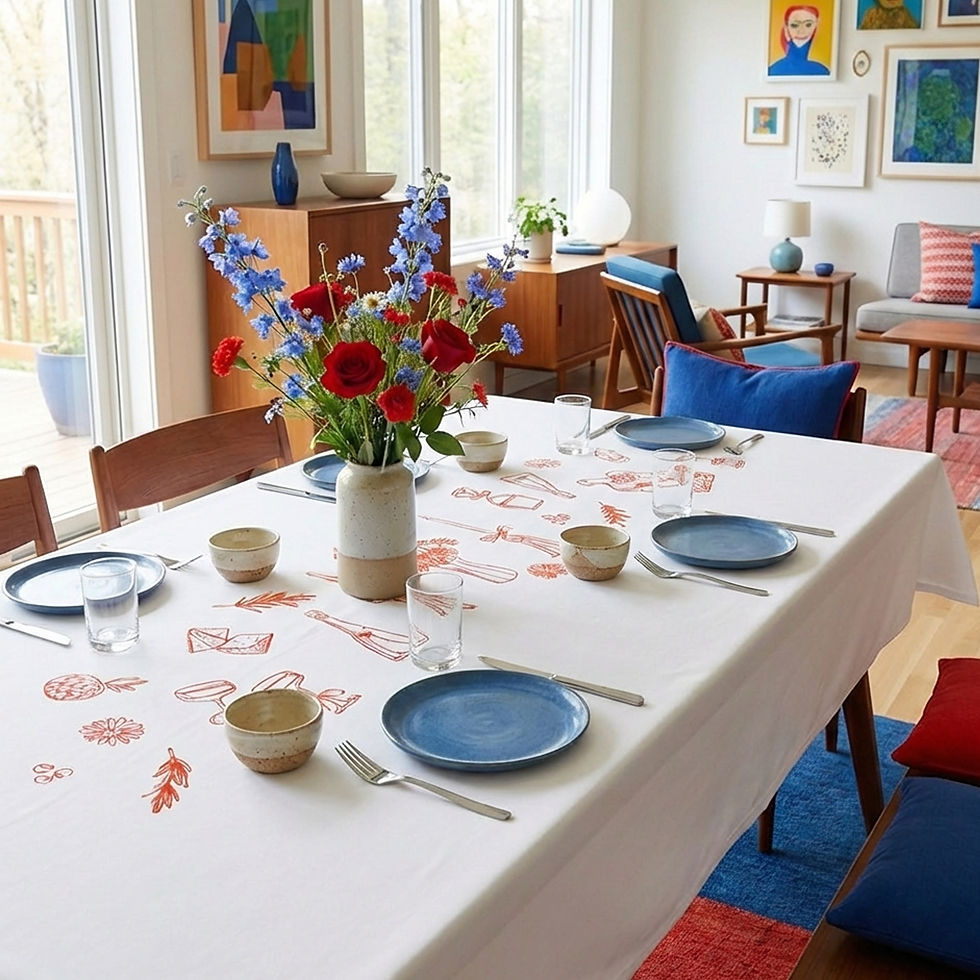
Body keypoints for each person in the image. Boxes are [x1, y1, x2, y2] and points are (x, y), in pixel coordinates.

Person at [768, 4, 830, 76]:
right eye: (795, 25)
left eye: (808, 25)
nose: (801, 31)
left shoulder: (822, 69)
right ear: (786, 27)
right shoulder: (775, 69)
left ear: (816, 25)